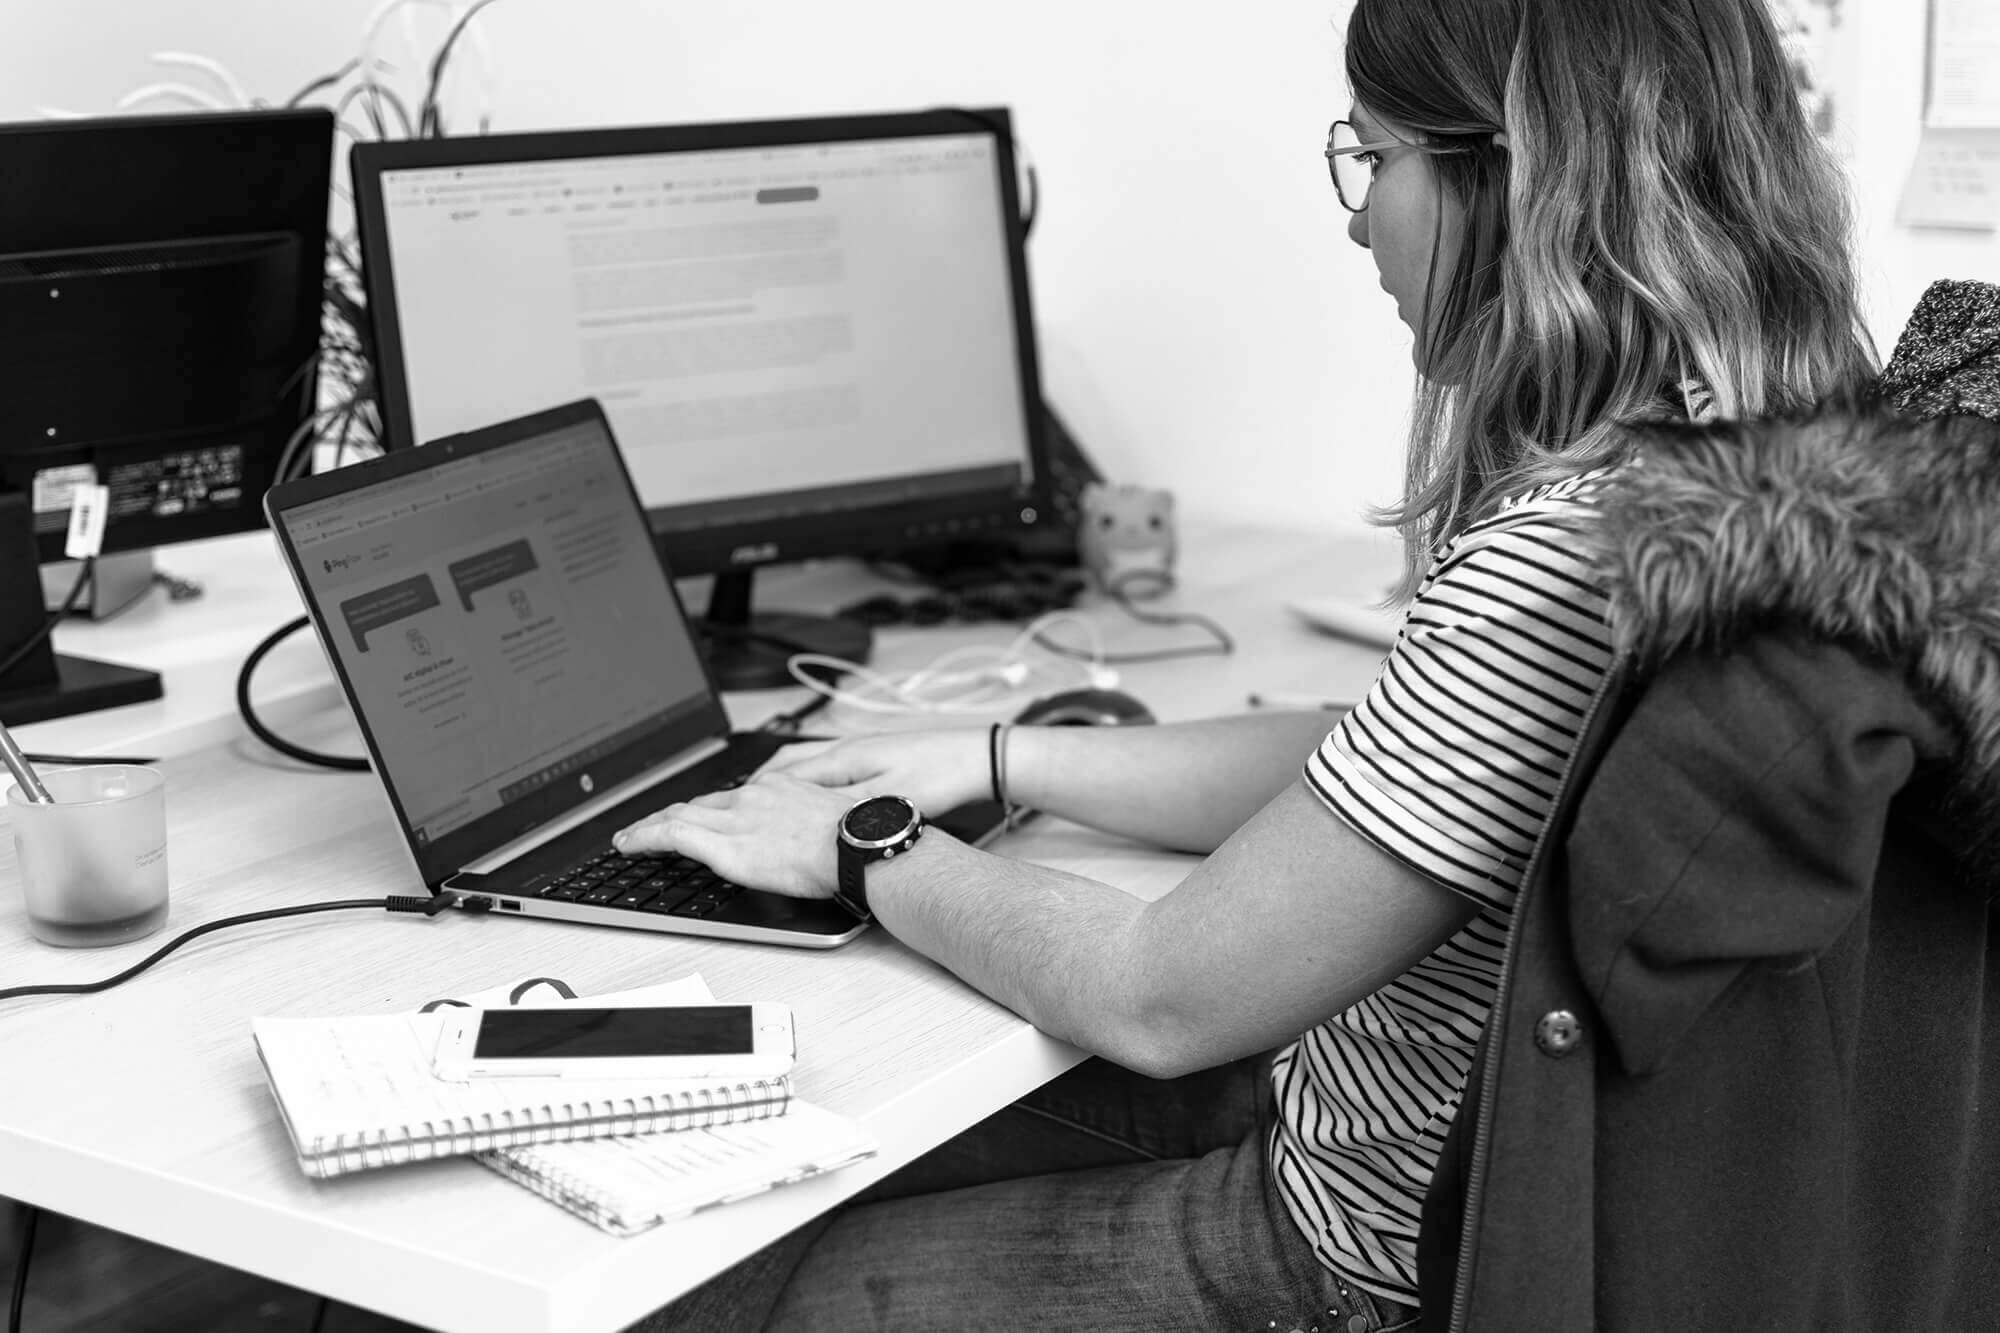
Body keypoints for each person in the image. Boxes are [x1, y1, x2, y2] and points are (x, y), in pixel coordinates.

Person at [617, 0, 1876, 1326]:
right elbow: (1384, 762)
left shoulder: (1563, 557)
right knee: (814, 1155)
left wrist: (865, 845)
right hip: (1399, 1121)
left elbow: (1159, 995)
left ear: (1515, 180)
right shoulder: (1756, 461)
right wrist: (1000, 755)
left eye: (1374, 158)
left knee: (750, 1284)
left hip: (1360, 1253)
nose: (1353, 216)